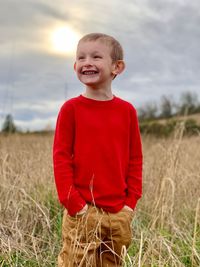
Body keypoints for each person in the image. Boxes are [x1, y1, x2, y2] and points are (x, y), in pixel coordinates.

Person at [53, 33, 143, 267]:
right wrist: (75, 204)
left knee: (112, 263)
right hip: (83, 212)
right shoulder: (71, 109)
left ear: (117, 67)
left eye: (96, 56)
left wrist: (130, 204)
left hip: (119, 213)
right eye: (80, 58)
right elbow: (61, 157)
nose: (86, 62)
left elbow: (135, 159)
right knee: (76, 263)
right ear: (75, 66)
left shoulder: (127, 111)